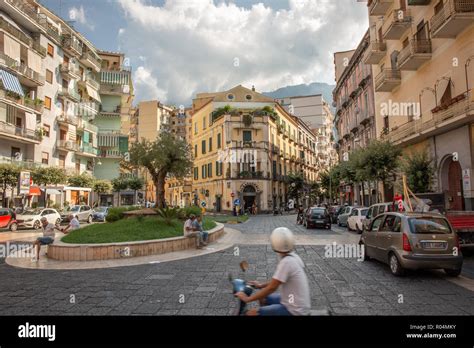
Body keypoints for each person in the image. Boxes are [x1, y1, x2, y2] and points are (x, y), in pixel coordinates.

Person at [235, 227, 311, 316]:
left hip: (295, 311)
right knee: (262, 297)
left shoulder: (286, 262)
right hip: (294, 302)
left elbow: (272, 288)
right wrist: (261, 285)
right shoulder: (294, 257)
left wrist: (248, 299)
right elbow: (278, 280)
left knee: (250, 313)